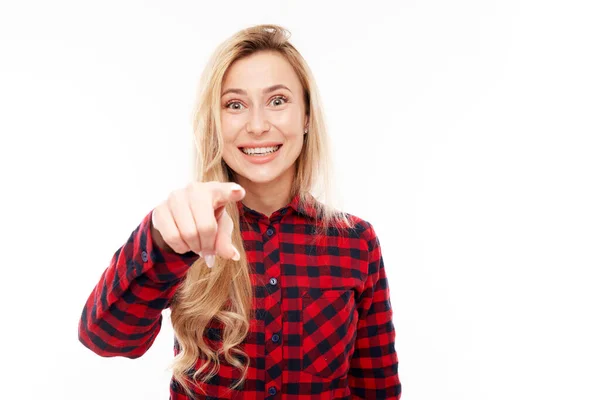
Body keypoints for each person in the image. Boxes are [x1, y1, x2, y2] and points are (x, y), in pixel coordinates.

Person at [78, 24, 401, 399]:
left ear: (307, 116)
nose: (258, 125)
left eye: (278, 101)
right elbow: (106, 339)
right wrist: (161, 241)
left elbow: (377, 389)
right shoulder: (187, 229)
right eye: (235, 105)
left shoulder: (356, 242)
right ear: (216, 123)